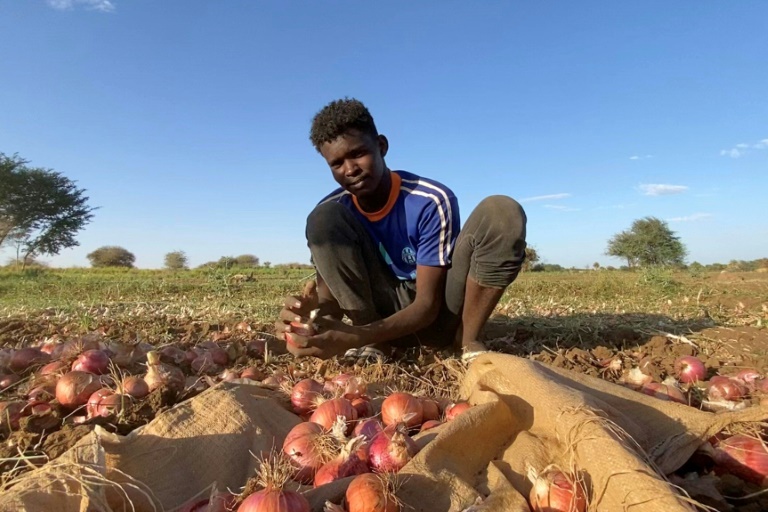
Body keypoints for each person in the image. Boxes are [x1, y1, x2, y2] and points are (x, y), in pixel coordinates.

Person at [274, 98, 527, 362]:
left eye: (358, 153)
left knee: (501, 213)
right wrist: (311, 314)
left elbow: (427, 305)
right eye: (336, 164)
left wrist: (357, 336)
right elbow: (331, 301)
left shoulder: (430, 200)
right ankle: (377, 344)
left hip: (439, 316)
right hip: (375, 322)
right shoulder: (331, 213)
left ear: (381, 146)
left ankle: (466, 341)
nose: (350, 169)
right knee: (323, 219)